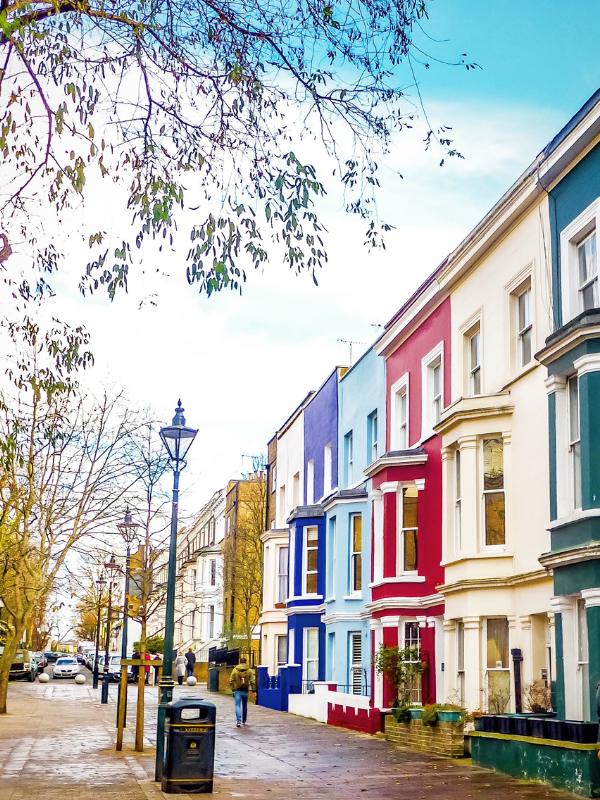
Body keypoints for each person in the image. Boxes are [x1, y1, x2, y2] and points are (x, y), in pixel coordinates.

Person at [229, 657, 256, 728]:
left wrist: (233, 689)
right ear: (246, 662)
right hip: (245, 691)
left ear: (239, 662)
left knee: (237, 705)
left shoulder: (235, 670)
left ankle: (238, 721)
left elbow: (231, 680)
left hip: (237, 691)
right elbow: (252, 681)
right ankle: (244, 720)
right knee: (245, 706)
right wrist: (254, 690)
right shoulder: (249, 670)